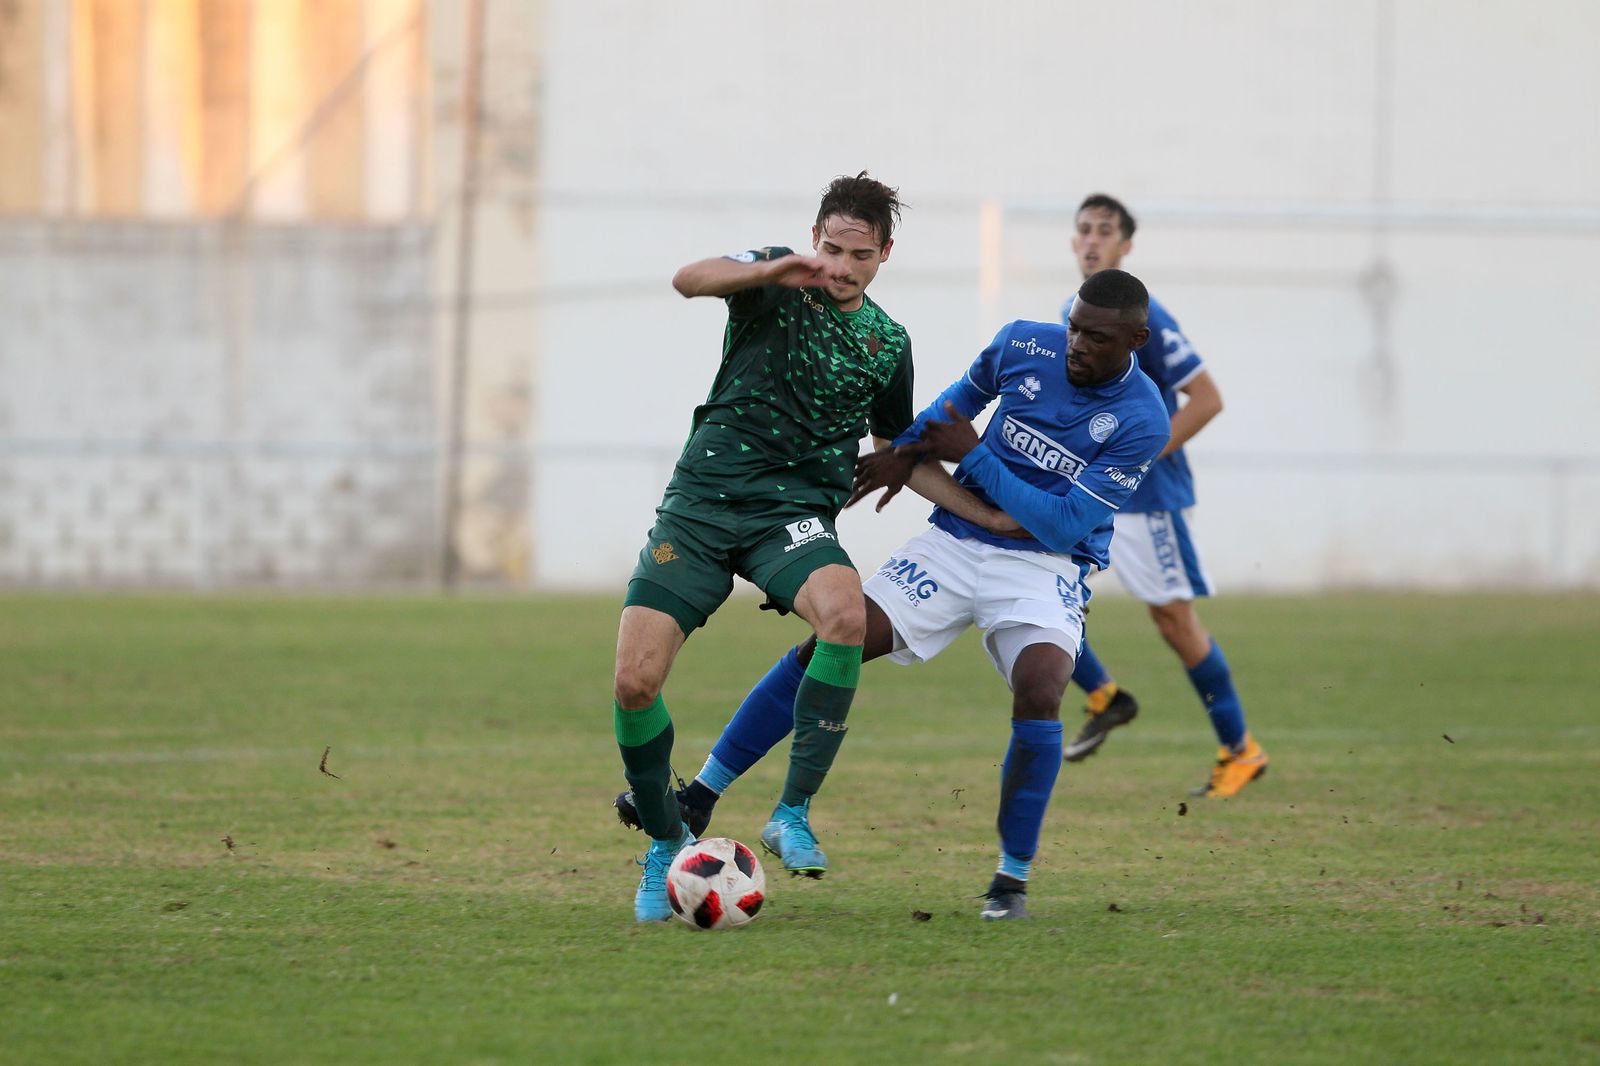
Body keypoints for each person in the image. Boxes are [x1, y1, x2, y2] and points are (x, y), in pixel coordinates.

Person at [621, 268, 1170, 920]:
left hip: (1046, 567)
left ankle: (1010, 882)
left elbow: (1063, 523)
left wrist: (976, 458)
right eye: (1074, 327)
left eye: (1096, 338)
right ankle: (703, 794)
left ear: (1135, 340)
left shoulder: (1143, 419)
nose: (1077, 344)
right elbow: (938, 421)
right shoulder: (1022, 344)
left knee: (1042, 688)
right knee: (836, 640)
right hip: (953, 545)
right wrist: (900, 454)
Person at [612, 173, 1011, 923]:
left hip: (791, 516)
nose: (841, 266)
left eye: (859, 254)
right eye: (831, 248)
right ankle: (666, 840)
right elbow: (688, 279)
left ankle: (792, 810)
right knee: (635, 682)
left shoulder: (887, 343)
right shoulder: (774, 280)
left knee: (845, 616)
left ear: (884, 254)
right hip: (700, 506)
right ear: (813, 238)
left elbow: (898, 451)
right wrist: (772, 269)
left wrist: (985, 515)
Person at [1059, 193, 1267, 798]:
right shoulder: (1070, 314)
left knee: (1174, 621)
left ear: (1126, 245)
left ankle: (1241, 750)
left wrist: (1137, 456)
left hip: (1148, 500)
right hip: (1091, 494)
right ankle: (1105, 696)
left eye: (1105, 230)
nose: (1092, 239)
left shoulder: (1151, 320)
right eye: (1084, 229)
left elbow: (1207, 398)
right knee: (1036, 588)